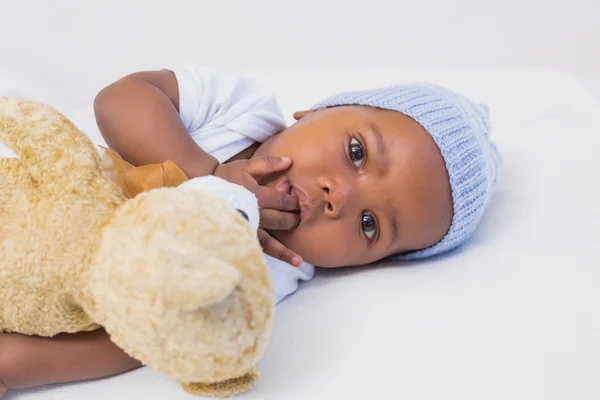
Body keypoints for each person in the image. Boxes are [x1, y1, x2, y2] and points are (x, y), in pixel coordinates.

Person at [0, 66, 500, 395]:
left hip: (49, 297)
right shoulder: (242, 112)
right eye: (356, 153)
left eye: (370, 225)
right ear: (316, 111)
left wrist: (18, 364)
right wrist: (205, 174)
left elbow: (135, 340)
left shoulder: (269, 272)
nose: (340, 196)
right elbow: (120, 100)